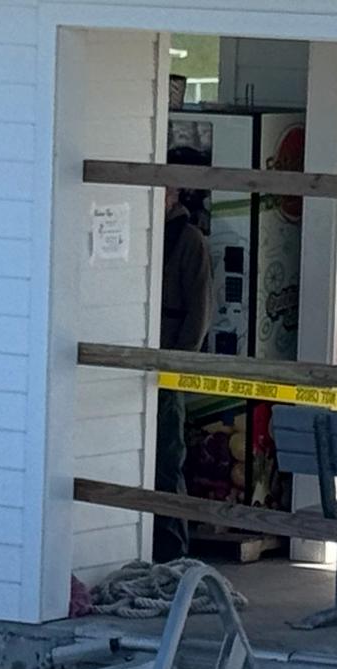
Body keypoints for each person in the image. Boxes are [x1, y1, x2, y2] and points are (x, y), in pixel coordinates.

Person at [153, 146, 214, 562]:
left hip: (168, 366)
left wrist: (177, 366)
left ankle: (173, 553)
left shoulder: (189, 241)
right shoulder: (145, 236)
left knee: (166, 461)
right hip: (138, 359)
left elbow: (201, 312)